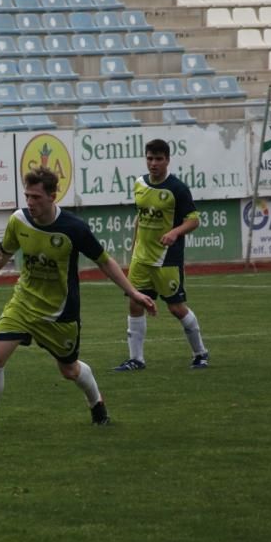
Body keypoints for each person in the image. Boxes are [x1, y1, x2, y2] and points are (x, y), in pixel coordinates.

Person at [0, 167, 157, 435]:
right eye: (27, 196)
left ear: (53, 196)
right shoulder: (19, 220)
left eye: (36, 197)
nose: (30, 202)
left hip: (59, 312)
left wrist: (132, 291)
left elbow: (104, 261)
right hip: (23, 303)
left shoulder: (73, 229)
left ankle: (96, 403)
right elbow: (3, 254)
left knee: (69, 370)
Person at [113, 138, 209, 372]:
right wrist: (134, 247)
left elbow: (194, 220)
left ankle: (200, 353)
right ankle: (136, 359)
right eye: (149, 158)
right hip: (141, 258)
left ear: (167, 160)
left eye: (158, 159)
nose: (153, 163)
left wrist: (175, 232)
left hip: (166, 259)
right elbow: (140, 217)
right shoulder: (139, 184)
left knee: (176, 308)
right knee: (136, 304)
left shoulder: (177, 189)